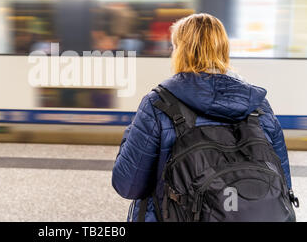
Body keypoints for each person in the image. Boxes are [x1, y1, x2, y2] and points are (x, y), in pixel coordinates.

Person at [112, 13, 294, 222]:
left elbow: (127, 185)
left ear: (180, 50)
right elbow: (284, 185)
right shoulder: (259, 107)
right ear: (223, 50)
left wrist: (129, 135)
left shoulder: (158, 104)